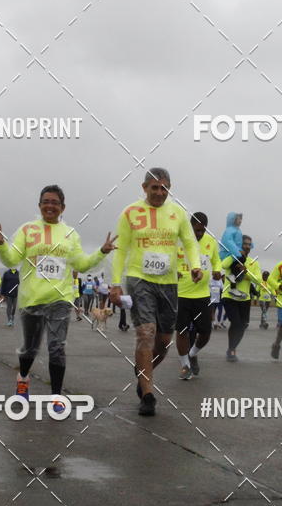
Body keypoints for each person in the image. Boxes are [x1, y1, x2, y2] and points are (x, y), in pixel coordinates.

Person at [0, 184, 116, 399]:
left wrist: (101, 251)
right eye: (46, 202)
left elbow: (82, 264)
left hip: (60, 298)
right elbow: (11, 260)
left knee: (57, 347)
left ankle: (56, 396)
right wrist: (1, 245)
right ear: (39, 205)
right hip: (32, 299)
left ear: (62, 207)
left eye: (55, 203)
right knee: (30, 349)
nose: (50, 206)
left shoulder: (70, 234)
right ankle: (23, 377)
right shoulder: (27, 230)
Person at [109, 168, 201, 416]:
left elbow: (190, 243)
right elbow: (120, 250)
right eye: (154, 188)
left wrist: (195, 266)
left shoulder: (178, 213)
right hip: (139, 279)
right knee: (146, 334)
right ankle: (148, 394)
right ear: (144, 188)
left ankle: (142, 372)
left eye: (164, 188)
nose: (160, 193)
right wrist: (115, 283)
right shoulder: (130, 213)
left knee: (163, 342)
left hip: (168, 283)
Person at [175, 212, 221, 379]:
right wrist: (173, 272)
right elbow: (169, 259)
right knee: (182, 331)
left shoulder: (211, 242)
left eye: (202, 230)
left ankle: (192, 354)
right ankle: (185, 365)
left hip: (203, 294)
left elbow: (216, 260)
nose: (199, 233)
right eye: (196, 230)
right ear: (190, 227)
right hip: (182, 294)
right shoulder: (179, 240)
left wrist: (217, 270)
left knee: (206, 332)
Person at [221, 235, 263, 362]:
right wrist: (235, 255)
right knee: (236, 323)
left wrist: (246, 272)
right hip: (229, 296)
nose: (247, 246)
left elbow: (258, 280)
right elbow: (223, 265)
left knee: (243, 325)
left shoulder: (253, 262)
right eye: (245, 244)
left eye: (249, 244)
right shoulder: (232, 256)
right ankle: (231, 350)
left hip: (244, 298)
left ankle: (231, 348)